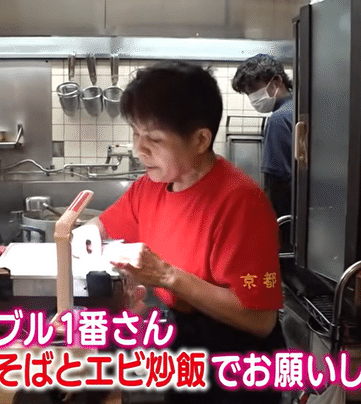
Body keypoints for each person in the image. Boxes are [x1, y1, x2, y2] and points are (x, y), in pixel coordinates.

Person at [91, 61, 285, 403]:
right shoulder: (150, 186)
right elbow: (102, 228)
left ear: (200, 139)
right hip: (185, 347)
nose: (139, 149)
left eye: (154, 139)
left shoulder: (241, 202)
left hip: (236, 364)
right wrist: (87, 239)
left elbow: (260, 319)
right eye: (136, 134)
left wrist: (166, 276)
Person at [232, 54, 294, 219]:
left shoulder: (279, 120)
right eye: (248, 93)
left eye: (253, 89)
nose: (252, 97)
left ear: (276, 82)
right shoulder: (300, 108)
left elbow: (277, 181)